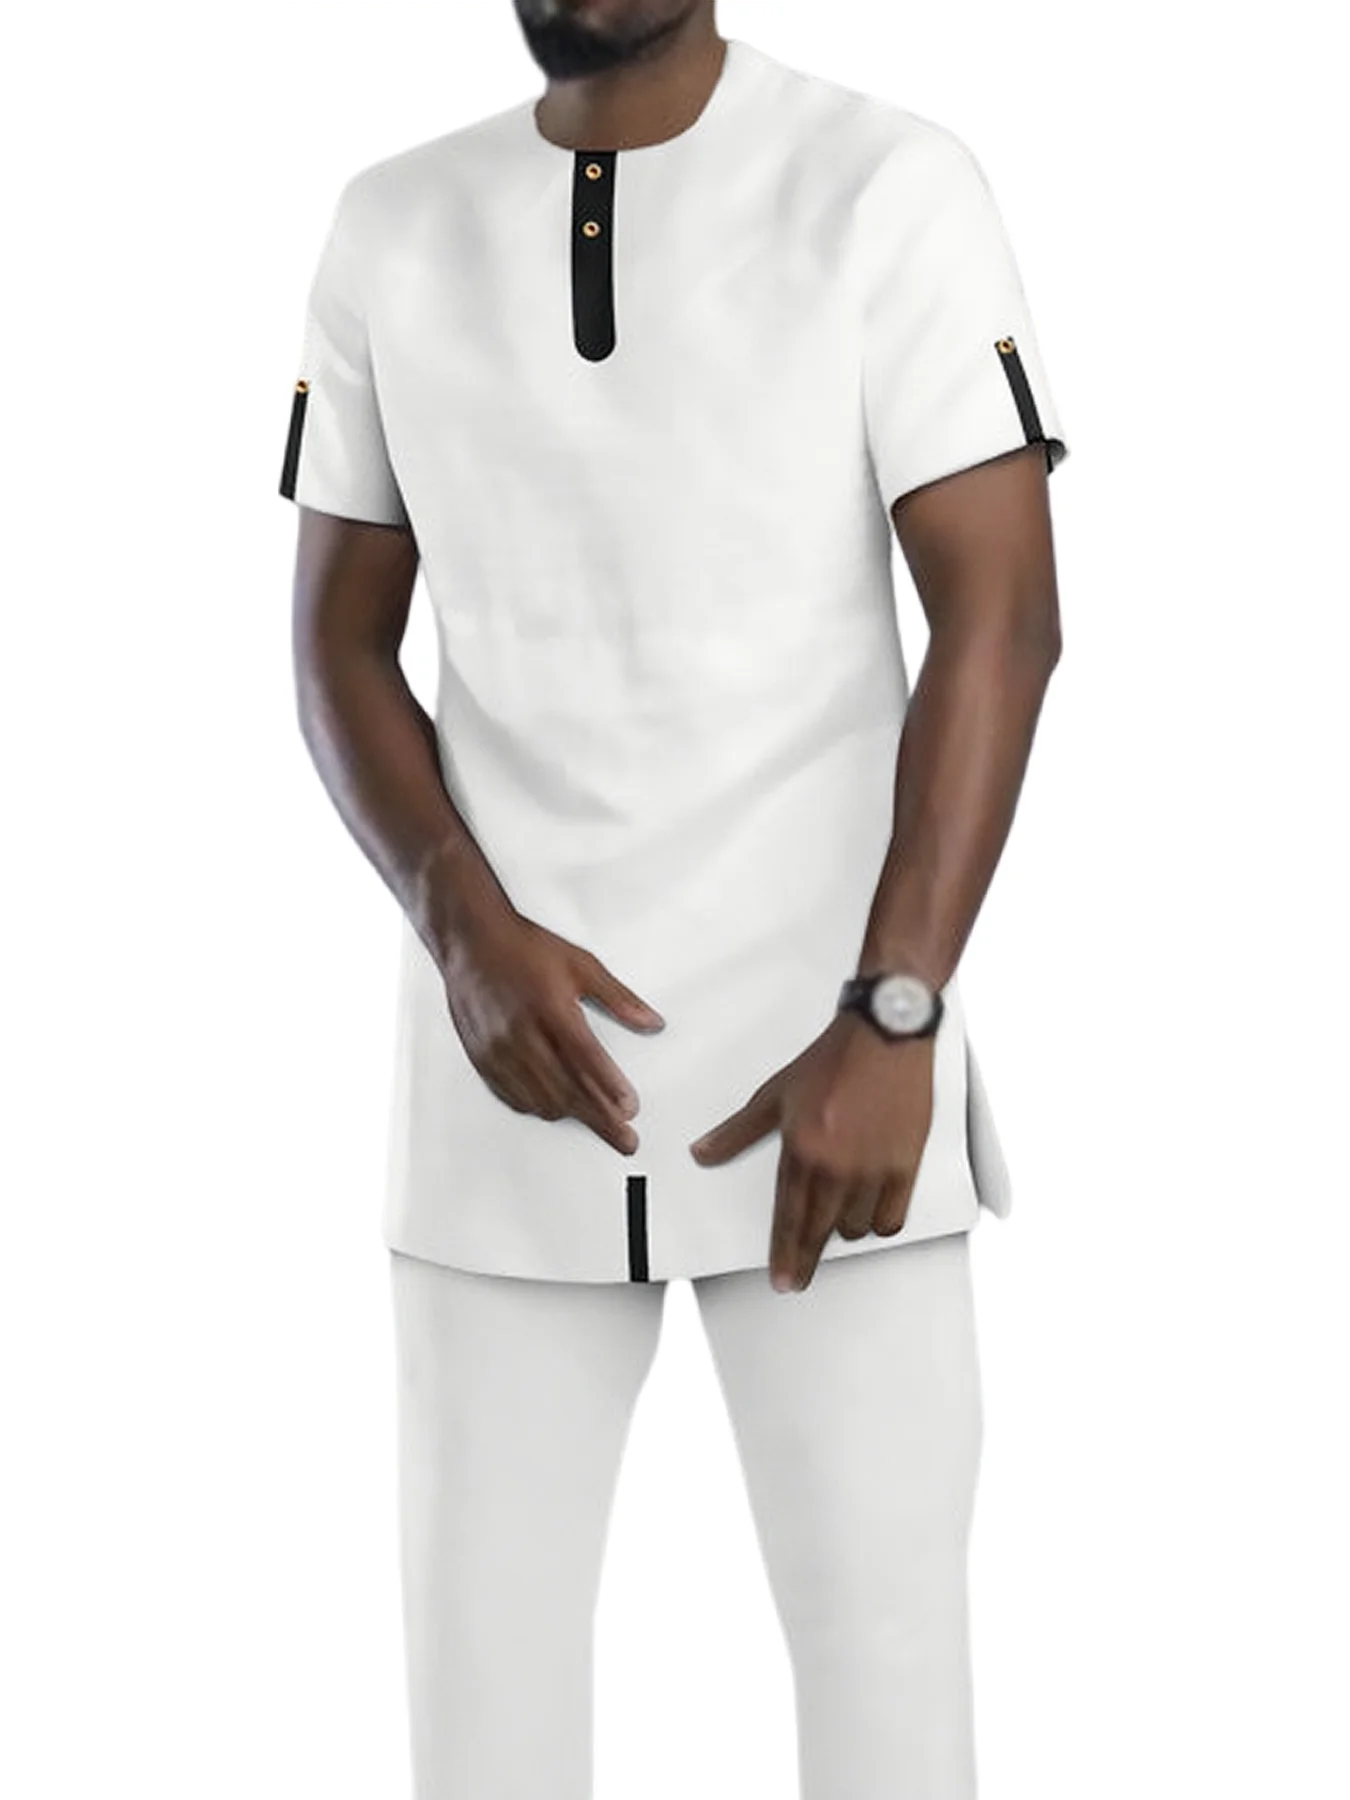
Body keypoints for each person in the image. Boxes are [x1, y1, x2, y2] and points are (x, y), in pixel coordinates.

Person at [279, 4, 1069, 1795]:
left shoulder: (886, 185)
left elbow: (1003, 619)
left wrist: (894, 1013)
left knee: (889, 1701)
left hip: (828, 1090)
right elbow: (334, 640)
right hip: (500, 1089)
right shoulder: (391, 222)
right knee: (480, 1723)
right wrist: (461, 930)